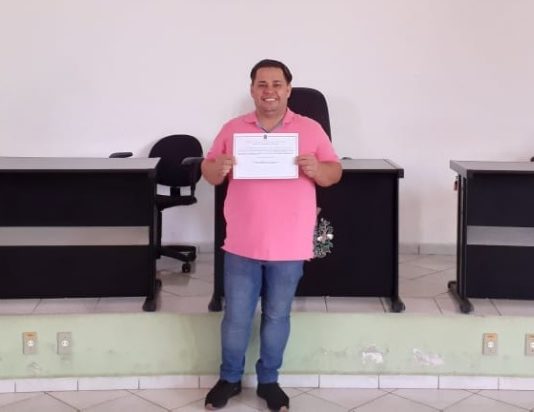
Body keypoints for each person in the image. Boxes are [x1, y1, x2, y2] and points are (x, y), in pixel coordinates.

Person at [201, 59, 342, 411]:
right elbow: (209, 170)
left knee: (278, 316)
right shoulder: (233, 128)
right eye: (262, 84)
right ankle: (229, 379)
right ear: (252, 90)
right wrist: (217, 168)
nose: (269, 91)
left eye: (277, 84)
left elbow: (334, 173)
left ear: (288, 89)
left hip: (290, 244)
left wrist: (317, 168)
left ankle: (269, 382)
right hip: (242, 242)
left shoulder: (309, 129)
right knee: (236, 317)